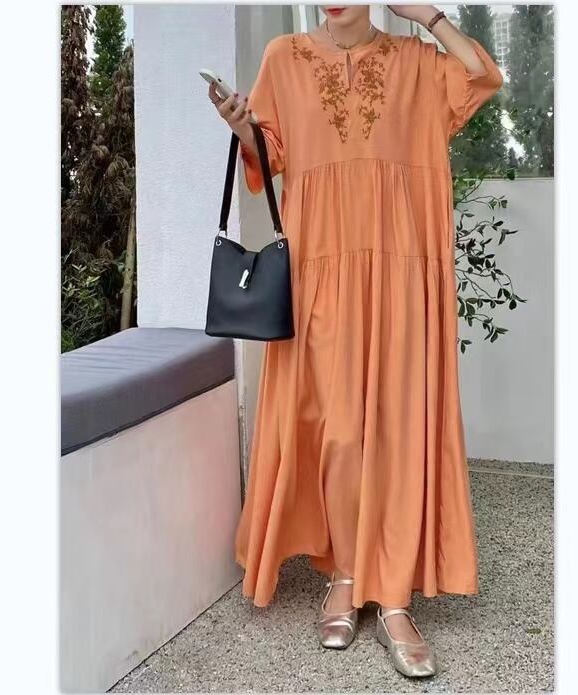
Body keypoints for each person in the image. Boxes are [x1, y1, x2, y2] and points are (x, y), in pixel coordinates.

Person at [208, 4, 503, 678]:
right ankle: (344, 573)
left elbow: (480, 76)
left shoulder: (413, 63)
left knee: (398, 429)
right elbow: (270, 156)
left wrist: (427, 15)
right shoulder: (285, 57)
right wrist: (241, 125)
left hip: (401, 273)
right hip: (318, 269)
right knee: (338, 430)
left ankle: (392, 598)